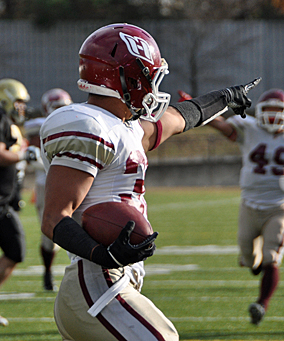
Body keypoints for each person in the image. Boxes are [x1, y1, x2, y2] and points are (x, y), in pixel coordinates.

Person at [40, 23, 260, 341]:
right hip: (95, 284)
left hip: (114, 281)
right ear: (128, 77)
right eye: (150, 77)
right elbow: (53, 217)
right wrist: (103, 254)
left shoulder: (128, 128)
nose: (153, 87)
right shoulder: (89, 127)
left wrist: (225, 98)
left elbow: (179, 118)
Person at [196, 88, 284, 326]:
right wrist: (199, 110)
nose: (274, 117)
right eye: (270, 111)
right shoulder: (250, 129)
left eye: (279, 111)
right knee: (249, 256)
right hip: (249, 204)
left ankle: (261, 304)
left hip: (280, 206)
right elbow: (224, 127)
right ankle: (256, 266)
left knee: (271, 257)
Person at [24, 88, 73, 291]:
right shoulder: (37, 126)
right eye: (57, 108)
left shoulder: (76, 123)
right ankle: (48, 272)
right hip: (46, 183)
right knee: (50, 234)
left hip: (72, 180)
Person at [0, 78, 38, 326]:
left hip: (4, 201)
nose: (21, 108)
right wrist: (23, 154)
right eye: (18, 102)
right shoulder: (1, 119)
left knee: (15, 250)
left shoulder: (7, 121)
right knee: (16, 249)